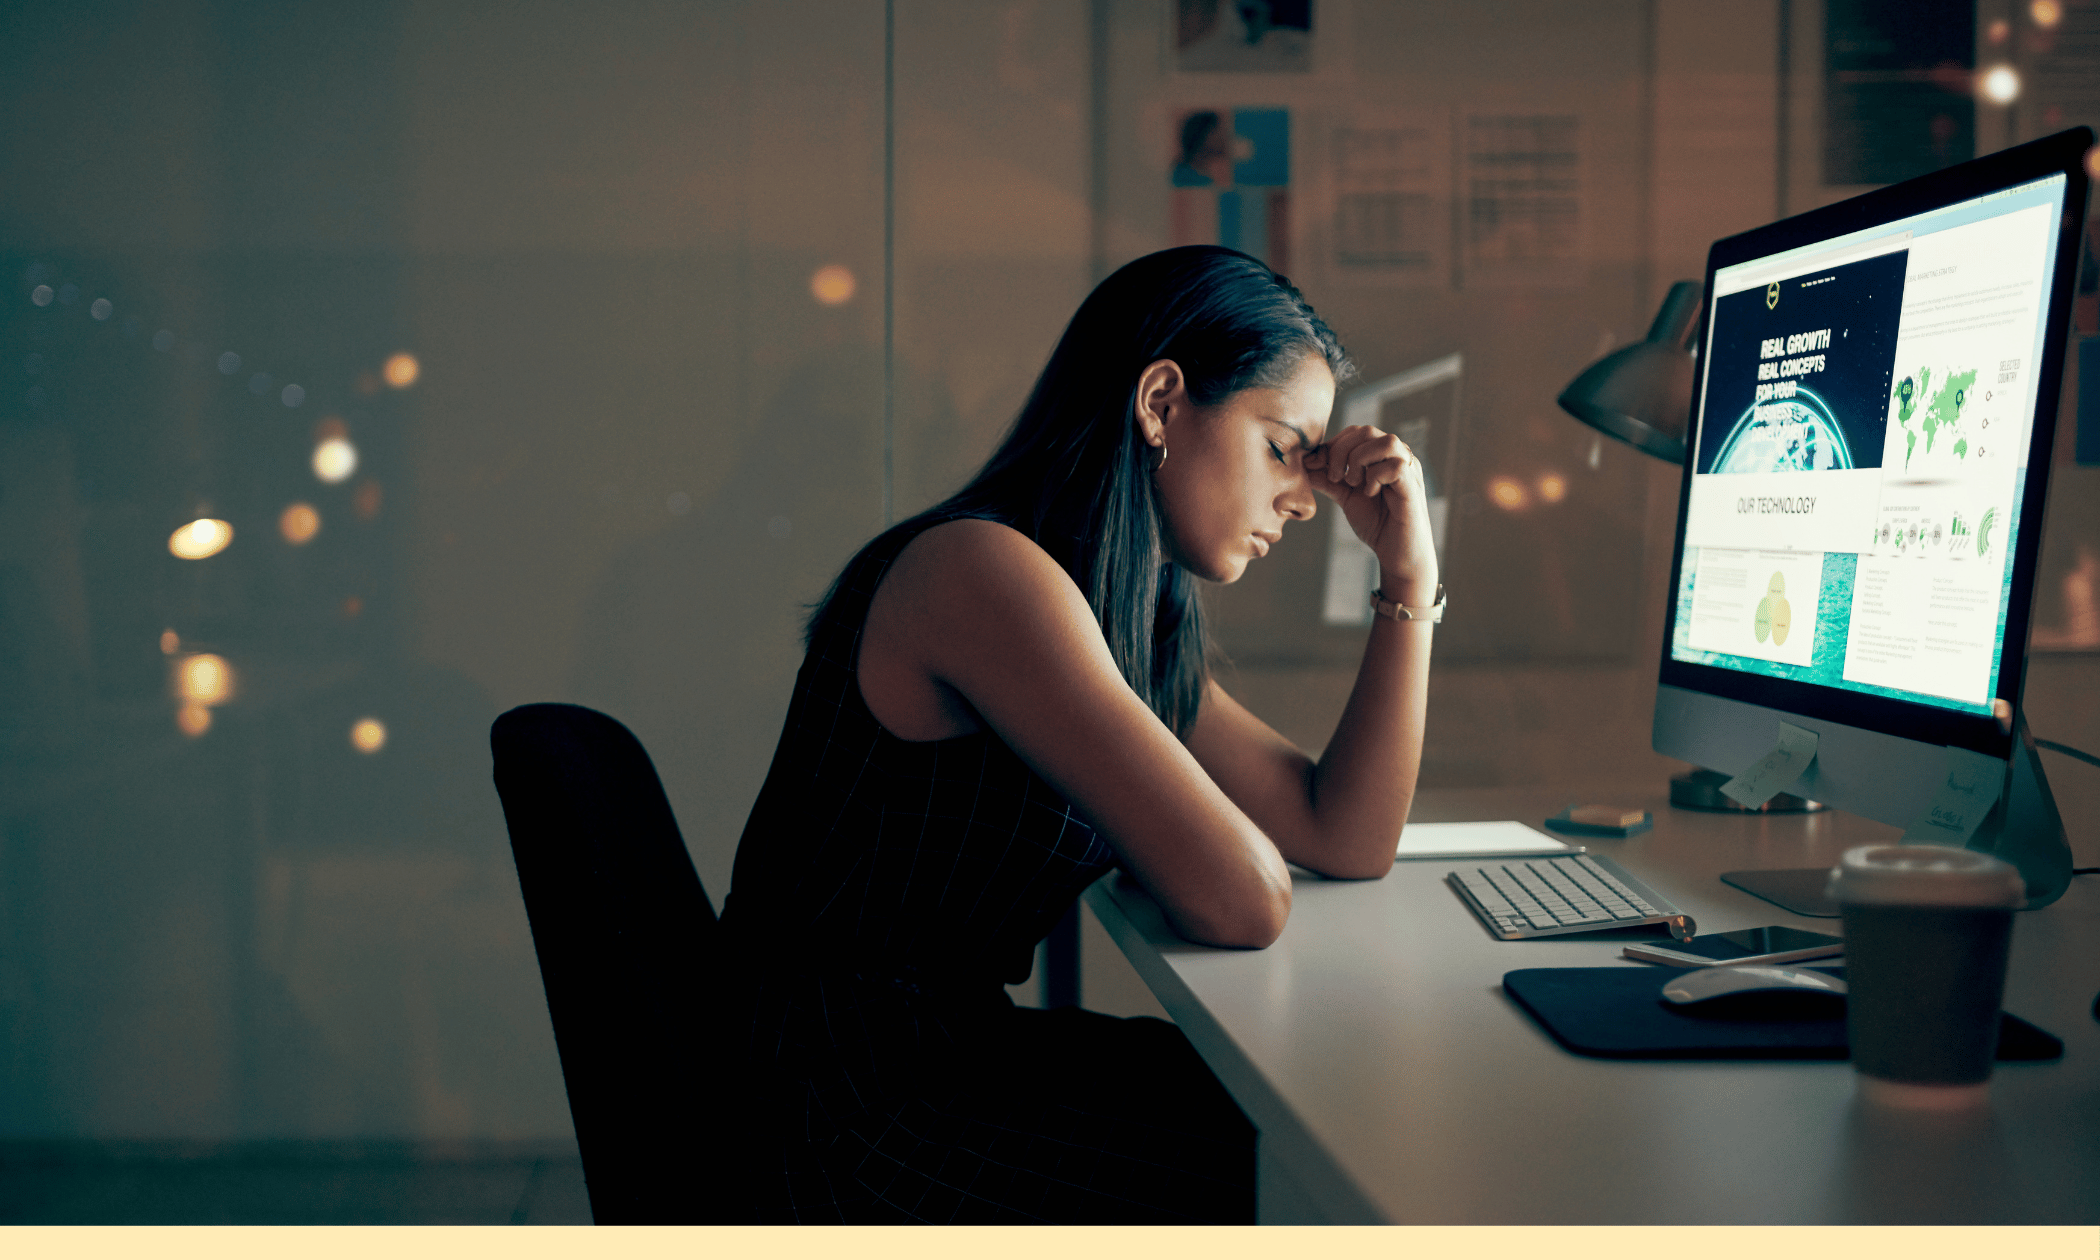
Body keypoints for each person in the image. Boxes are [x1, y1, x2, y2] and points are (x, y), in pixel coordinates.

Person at [714, 245, 1439, 1223]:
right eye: (1281, 446)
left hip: (950, 1053)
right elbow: (1245, 902)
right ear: (1160, 402)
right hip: (833, 1108)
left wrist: (1407, 581)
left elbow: (1342, 837)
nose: (1305, 499)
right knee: (1290, 1176)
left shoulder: (1128, 614)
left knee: (1328, 1119)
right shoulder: (984, 575)